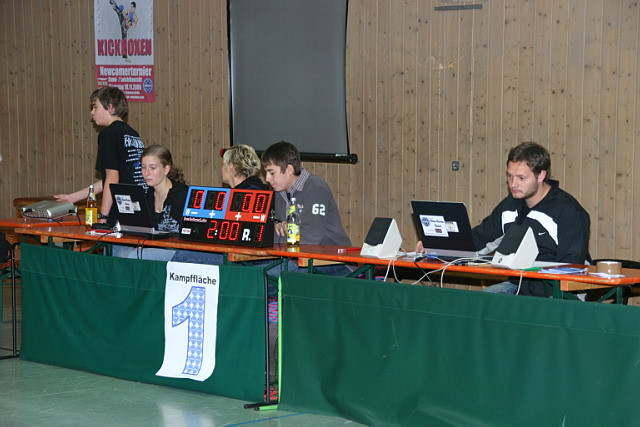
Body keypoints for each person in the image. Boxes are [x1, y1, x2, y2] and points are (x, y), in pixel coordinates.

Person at [418, 141, 590, 297]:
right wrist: (438, 245)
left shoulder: (569, 212)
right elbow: (479, 238)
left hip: (557, 291)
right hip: (519, 285)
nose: (513, 184)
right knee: (478, 304)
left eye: (521, 178)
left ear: (541, 176)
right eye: (509, 176)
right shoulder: (511, 204)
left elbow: (571, 268)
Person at [54, 86, 145, 224]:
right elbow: (113, 178)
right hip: (139, 203)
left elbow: (112, 178)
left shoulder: (108, 134)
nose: (92, 112)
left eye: (95, 107)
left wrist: (104, 215)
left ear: (110, 108)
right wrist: (73, 197)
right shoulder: (132, 133)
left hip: (122, 207)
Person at [170, 144, 268, 264]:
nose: (221, 169)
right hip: (230, 251)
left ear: (230, 167)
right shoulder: (246, 191)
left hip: (244, 257)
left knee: (183, 256)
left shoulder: (248, 195)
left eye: (223, 165)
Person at [113, 145, 188, 260]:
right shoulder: (148, 194)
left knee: (134, 255)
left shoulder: (181, 195)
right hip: (153, 245)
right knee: (116, 247)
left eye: (152, 168)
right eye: (143, 167)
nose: (146, 173)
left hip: (176, 250)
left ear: (166, 169)